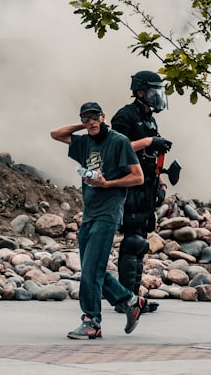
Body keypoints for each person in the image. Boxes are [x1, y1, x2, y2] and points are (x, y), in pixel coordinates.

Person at [50, 102, 146, 339]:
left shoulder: (119, 142)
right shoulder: (84, 142)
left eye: (94, 117)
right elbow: (56, 134)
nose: (91, 122)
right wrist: (82, 125)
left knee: (91, 270)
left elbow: (138, 177)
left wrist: (107, 184)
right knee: (92, 269)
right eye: (86, 118)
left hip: (109, 212)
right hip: (90, 213)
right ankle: (130, 300)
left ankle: (92, 321)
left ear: (103, 117)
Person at [110, 71, 173, 314]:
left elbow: (151, 158)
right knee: (132, 242)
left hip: (147, 186)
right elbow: (115, 149)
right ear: (139, 91)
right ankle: (126, 301)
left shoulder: (149, 119)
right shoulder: (125, 116)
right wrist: (148, 142)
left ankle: (134, 299)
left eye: (158, 91)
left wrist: (160, 184)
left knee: (141, 243)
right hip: (130, 186)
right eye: (151, 91)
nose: (156, 96)